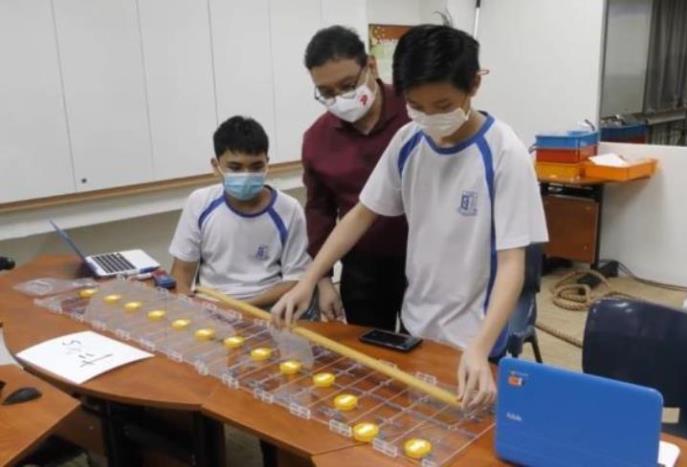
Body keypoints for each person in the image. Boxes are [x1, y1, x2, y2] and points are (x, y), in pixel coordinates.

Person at [273, 25, 548, 410]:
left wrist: (480, 347)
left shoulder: (504, 153)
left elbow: (512, 263)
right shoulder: (408, 142)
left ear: (473, 85)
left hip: (476, 335)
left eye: (443, 106)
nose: (430, 118)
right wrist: (309, 280)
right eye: (417, 106)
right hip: (418, 324)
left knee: (471, 439)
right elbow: (360, 215)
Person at [302, 25, 409, 329]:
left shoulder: (412, 111)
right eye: (326, 92)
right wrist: (322, 280)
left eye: (348, 85)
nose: (340, 98)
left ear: (371, 67)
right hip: (363, 265)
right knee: (371, 353)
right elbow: (318, 213)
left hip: (424, 260)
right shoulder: (317, 139)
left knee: (425, 356)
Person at [169, 115, 310, 308]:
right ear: (216, 165)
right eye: (235, 168)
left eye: (256, 167)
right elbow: (182, 274)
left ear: (267, 163)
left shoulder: (289, 209)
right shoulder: (200, 202)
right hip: (211, 306)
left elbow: (294, 280)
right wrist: (189, 307)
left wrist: (242, 310)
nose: (246, 175)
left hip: (268, 308)